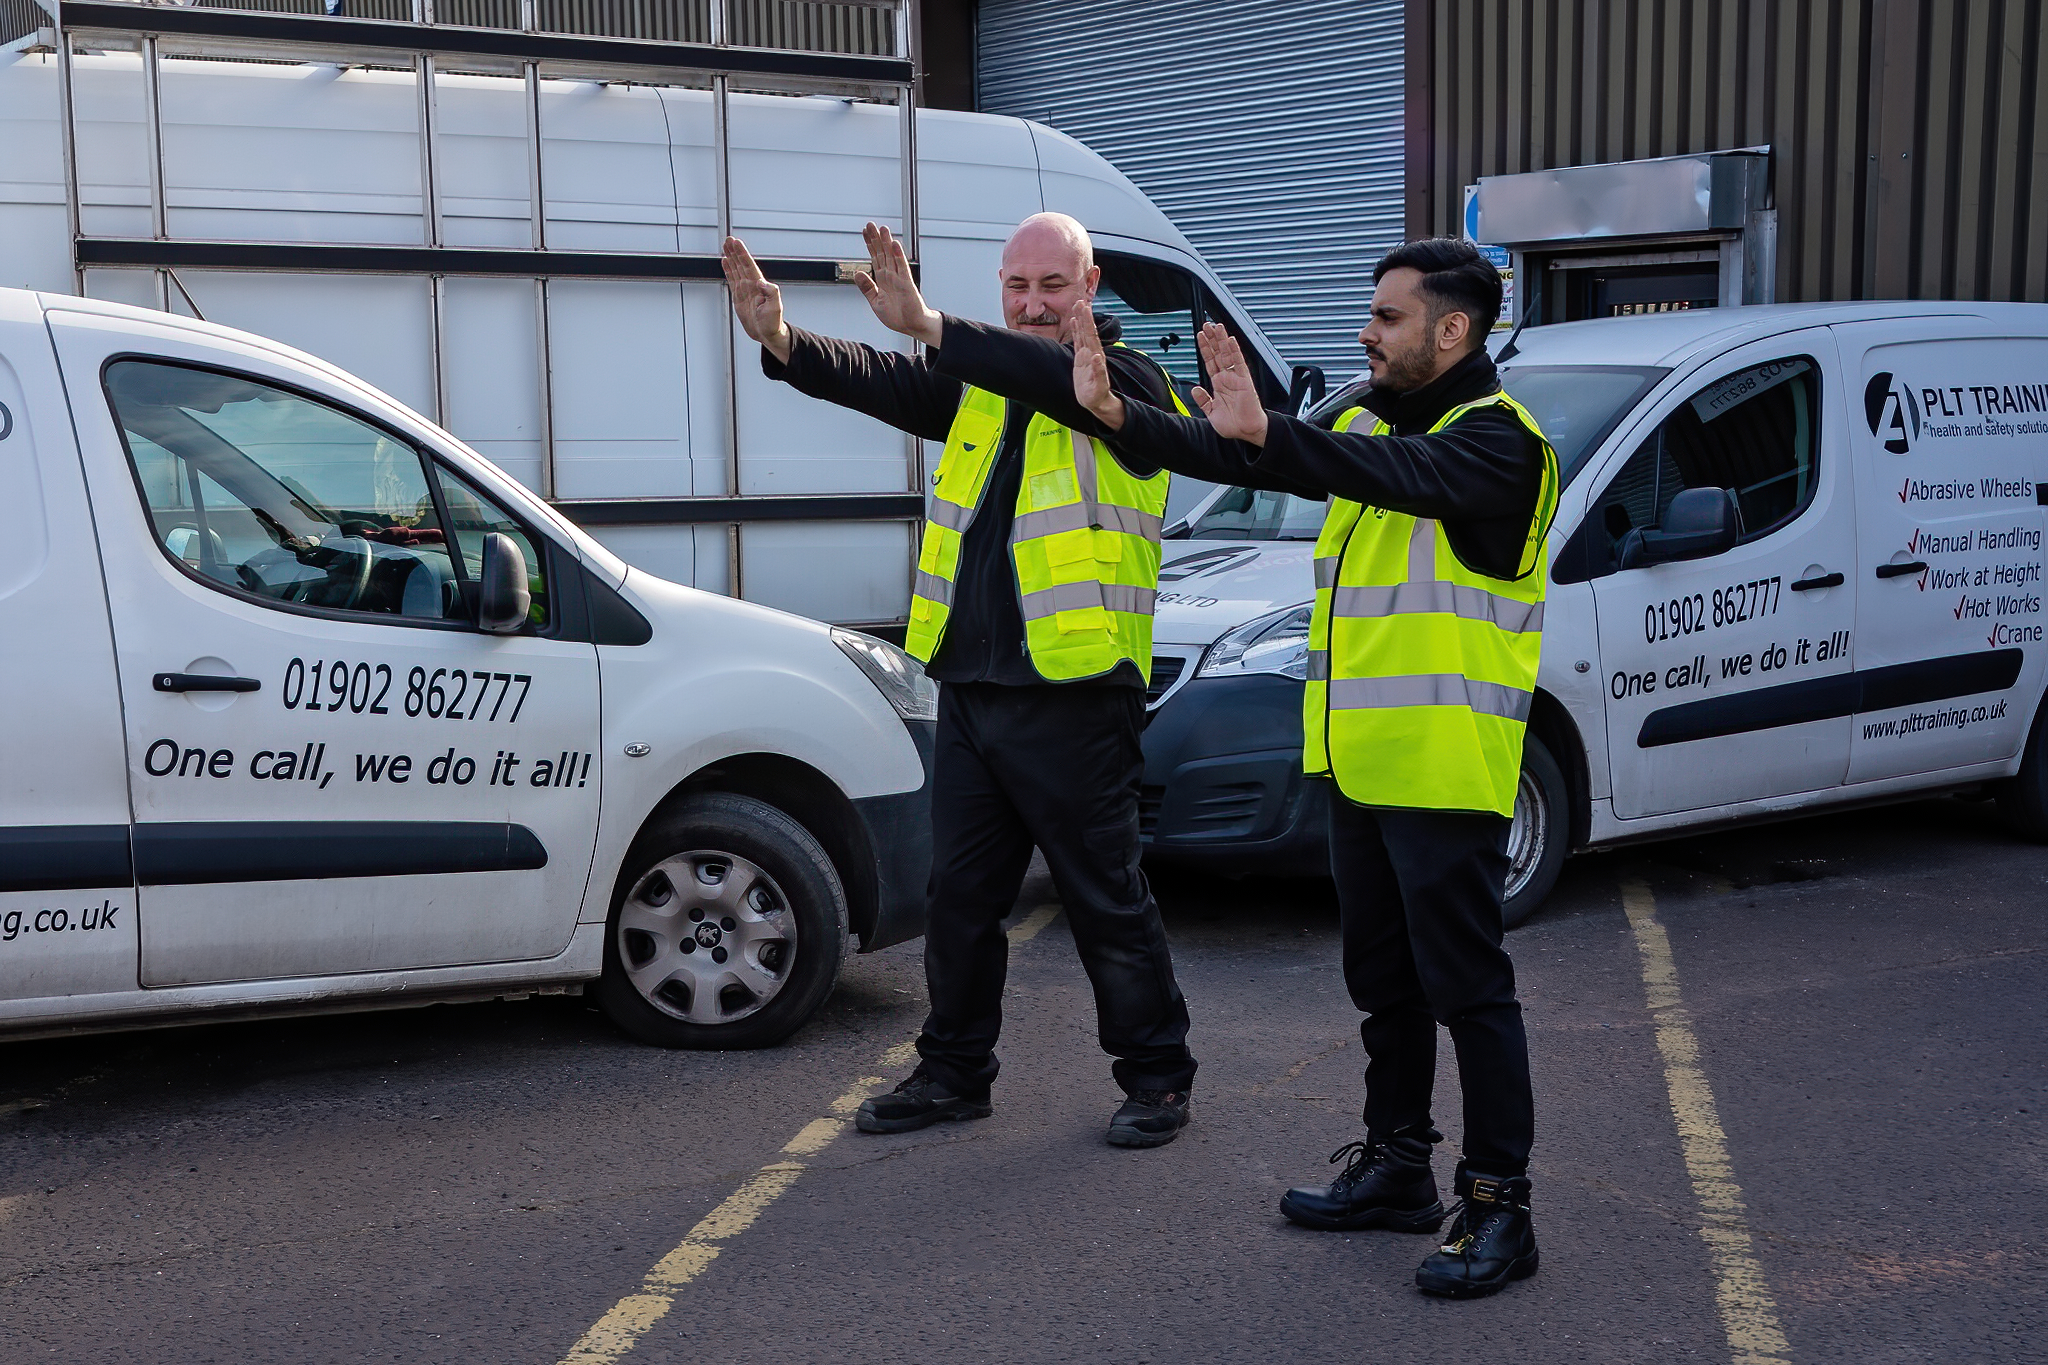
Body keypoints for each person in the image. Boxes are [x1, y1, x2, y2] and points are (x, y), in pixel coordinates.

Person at [1068, 238, 1557, 1296]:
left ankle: (1499, 1206)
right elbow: (1242, 453)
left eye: (1386, 317)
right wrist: (1118, 417)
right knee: (1383, 985)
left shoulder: (1499, 445)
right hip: (1358, 765)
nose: (1365, 333)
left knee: (1468, 991)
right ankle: (1398, 1165)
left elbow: (1382, 474)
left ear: (1452, 330)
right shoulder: (1371, 422)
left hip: (1443, 770)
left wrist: (1274, 434)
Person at [720, 213, 1199, 1147]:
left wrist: (934, 325)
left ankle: (1158, 1076)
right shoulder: (985, 387)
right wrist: (783, 339)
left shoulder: (1132, 385)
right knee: (961, 900)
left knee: (1105, 898)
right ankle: (952, 1072)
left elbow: (1056, 379)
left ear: (1092, 285)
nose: (1032, 304)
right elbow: (890, 381)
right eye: (1017, 286)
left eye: (1052, 285)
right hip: (975, 689)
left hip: (1075, 694)